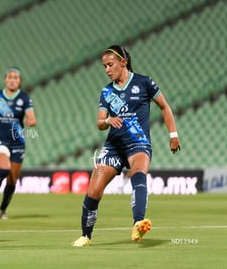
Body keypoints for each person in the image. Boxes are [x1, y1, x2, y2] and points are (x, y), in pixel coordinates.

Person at [72, 45, 181, 247]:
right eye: (104, 66)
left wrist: (173, 134)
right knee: (93, 190)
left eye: (110, 64)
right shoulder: (106, 92)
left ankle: (138, 224)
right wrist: (107, 121)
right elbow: (99, 123)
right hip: (113, 147)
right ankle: (86, 236)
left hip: (138, 143)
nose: (107, 69)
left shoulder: (144, 82)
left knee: (138, 174)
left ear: (124, 62)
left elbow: (164, 106)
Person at [0, 67, 37, 219]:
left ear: (20, 81)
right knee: (4, 168)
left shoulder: (24, 97)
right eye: (10, 77)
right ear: (5, 79)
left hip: (17, 143)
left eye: (16, 77)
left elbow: (32, 119)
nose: (13, 80)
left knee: (12, 180)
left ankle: (2, 210)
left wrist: (30, 122)